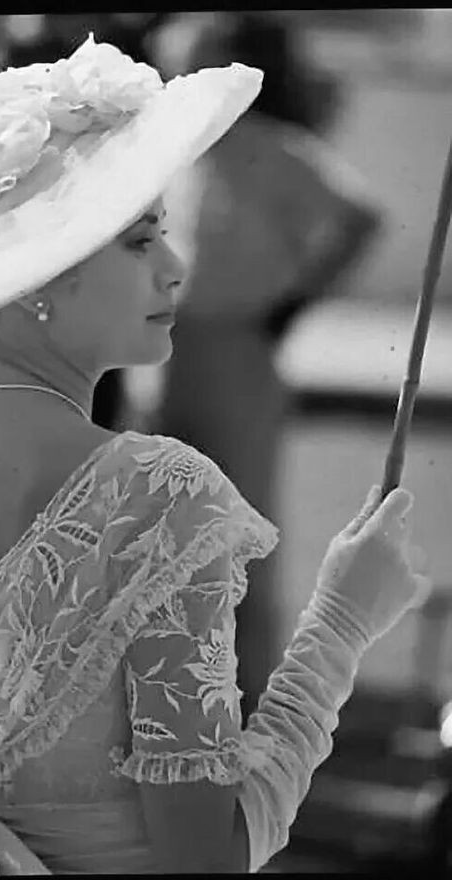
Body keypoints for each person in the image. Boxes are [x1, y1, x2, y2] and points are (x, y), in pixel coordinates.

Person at [0, 36, 428, 874]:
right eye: (140, 240)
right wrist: (340, 624)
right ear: (39, 277)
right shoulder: (160, 496)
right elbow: (207, 857)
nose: (175, 267)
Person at [153, 12, 383, 715]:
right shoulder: (171, 147)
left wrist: (294, 302)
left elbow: (360, 218)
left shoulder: (273, 147)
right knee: (159, 535)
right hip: (166, 352)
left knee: (240, 535)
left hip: (240, 351)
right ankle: (167, 701)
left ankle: (249, 705)